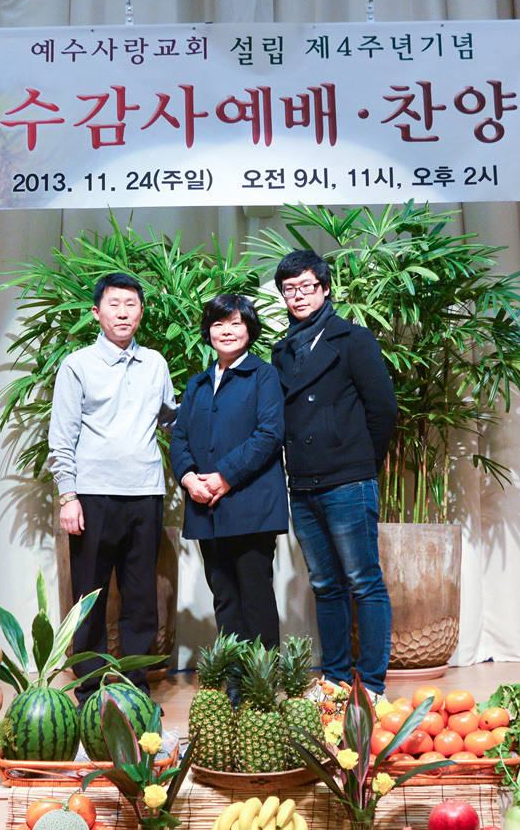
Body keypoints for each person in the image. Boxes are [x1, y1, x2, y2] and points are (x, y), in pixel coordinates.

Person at [269, 249, 398, 698]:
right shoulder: (281, 350)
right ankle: (336, 680)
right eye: (289, 289)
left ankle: (372, 684)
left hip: (348, 478)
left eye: (306, 286)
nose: (298, 296)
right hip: (303, 482)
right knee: (325, 585)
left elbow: (383, 409)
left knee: (364, 581)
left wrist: (360, 462)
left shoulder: (353, 339)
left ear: (325, 289)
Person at [47, 271, 177, 700]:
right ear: (96, 312)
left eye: (131, 304)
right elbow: (61, 436)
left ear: (141, 312)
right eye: (114, 304)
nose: (123, 312)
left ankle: (135, 690)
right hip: (93, 496)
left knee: (141, 598)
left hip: (146, 493)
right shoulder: (78, 364)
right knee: (90, 597)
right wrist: (68, 496)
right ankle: (89, 692)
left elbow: (172, 421)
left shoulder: (155, 363)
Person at [170, 295, 287, 648]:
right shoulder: (197, 384)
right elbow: (179, 438)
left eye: (236, 323)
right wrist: (189, 478)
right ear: (208, 331)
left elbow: (270, 434)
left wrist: (224, 476)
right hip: (205, 505)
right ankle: (233, 673)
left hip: (252, 506)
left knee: (255, 595)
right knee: (223, 595)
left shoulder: (265, 375)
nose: (227, 331)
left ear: (250, 330)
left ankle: (263, 675)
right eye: (218, 324)